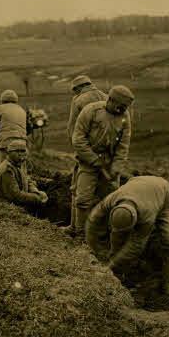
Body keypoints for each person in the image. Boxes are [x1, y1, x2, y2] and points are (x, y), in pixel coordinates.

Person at [86, 175, 169, 297]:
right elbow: (91, 222)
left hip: (164, 194)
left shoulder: (147, 216)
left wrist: (110, 265)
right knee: (118, 235)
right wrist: (95, 248)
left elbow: (136, 245)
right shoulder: (111, 199)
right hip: (137, 183)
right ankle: (117, 270)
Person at [69, 85, 134, 238]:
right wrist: (94, 160)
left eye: (125, 108)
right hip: (88, 162)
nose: (122, 110)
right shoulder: (91, 111)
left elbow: (123, 146)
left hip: (110, 164)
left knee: (110, 201)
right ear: (110, 100)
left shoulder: (125, 117)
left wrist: (115, 168)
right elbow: (78, 140)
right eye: (120, 107)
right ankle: (80, 235)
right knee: (83, 199)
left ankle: (103, 235)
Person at [62, 75, 108, 235]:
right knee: (105, 194)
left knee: (78, 190)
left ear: (77, 89)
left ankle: (76, 228)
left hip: (86, 155)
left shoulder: (79, 100)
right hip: (107, 156)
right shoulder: (107, 97)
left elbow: (72, 129)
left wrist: (78, 150)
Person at [0, 140, 48, 207]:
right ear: (9, 152)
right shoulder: (7, 170)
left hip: (17, 202)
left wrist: (36, 192)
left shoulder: (18, 164)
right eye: (17, 151)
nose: (20, 154)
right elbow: (15, 196)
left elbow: (28, 181)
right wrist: (37, 198)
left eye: (23, 151)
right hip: (5, 205)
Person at [0, 89, 27, 166]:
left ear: (2, 99)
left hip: (6, 143)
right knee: (21, 167)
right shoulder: (22, 110)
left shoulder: (1, 108)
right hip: (22, 143)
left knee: (3, 166)